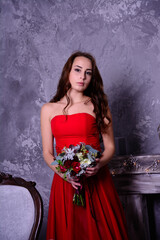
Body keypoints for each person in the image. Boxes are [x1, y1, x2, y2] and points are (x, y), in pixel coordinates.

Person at [41, 51, 128, 240]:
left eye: (88, 73)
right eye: (78, 70)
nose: (82, 76)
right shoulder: (48, 109)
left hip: (97, 180)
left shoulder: (98, 106)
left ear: (92, 77)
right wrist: (66, 174)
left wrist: (98, 165)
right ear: (68, 72)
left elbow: (110, 147)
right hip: (65, 182)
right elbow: (47, 153)